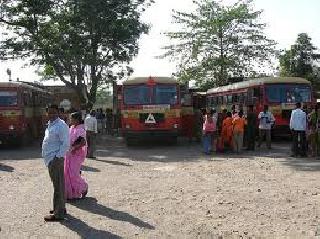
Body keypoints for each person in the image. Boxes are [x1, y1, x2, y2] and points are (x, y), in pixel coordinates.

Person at [42, 104, 70, 221]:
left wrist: (57, 157)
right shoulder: (51, 124)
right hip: (50, 159)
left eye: (54, 112)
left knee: (58, 186)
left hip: (55, 159)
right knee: (57, 185)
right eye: (49, 112)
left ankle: (58, 214)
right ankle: (60, 208)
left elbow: (66, 144)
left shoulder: (61, 125)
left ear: (58, 112)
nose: (51, 115)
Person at [64, 112, 88, 200]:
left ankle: (84, 187)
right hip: (69, 154)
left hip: (76, 155)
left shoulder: (80, 130)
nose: (70, 120)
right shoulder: (71, 128)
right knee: (67, 173)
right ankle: (72, 193)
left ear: (77, 120)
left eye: (72, 119)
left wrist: (74, 148)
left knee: (74, 174)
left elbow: (83, 142)